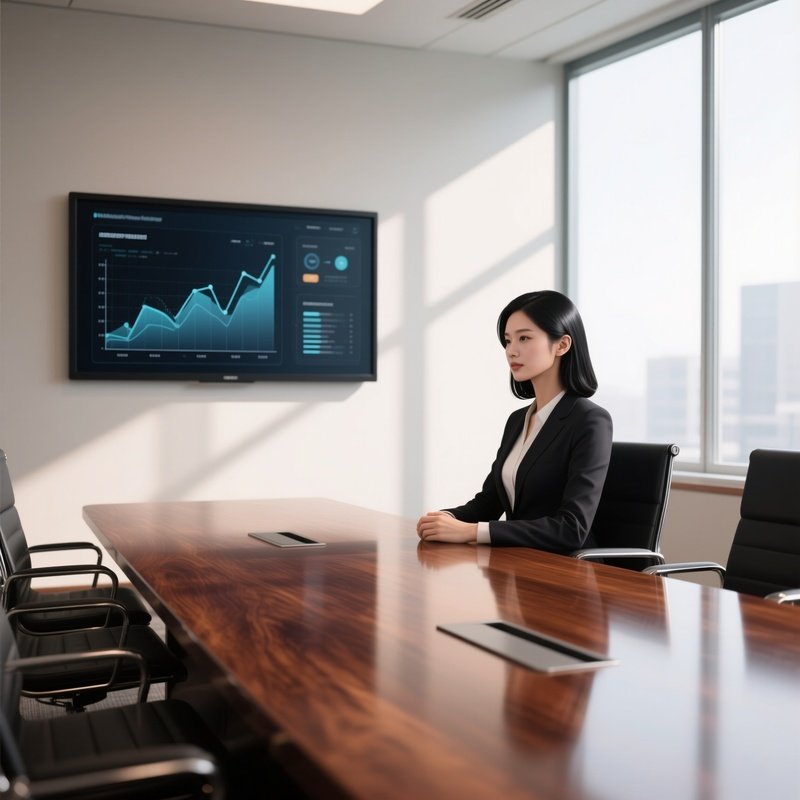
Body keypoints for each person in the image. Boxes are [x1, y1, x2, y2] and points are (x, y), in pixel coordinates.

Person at [416, 290, 612, 553]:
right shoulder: (518, 420)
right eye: (508, 341)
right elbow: (489, 503)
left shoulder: (590, 421)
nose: (512, 351)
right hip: (518, 565)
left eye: (524, 338)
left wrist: (471, 532)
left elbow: (571, 528)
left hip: (566, 572)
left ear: (562, 345)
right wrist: (445, 519)